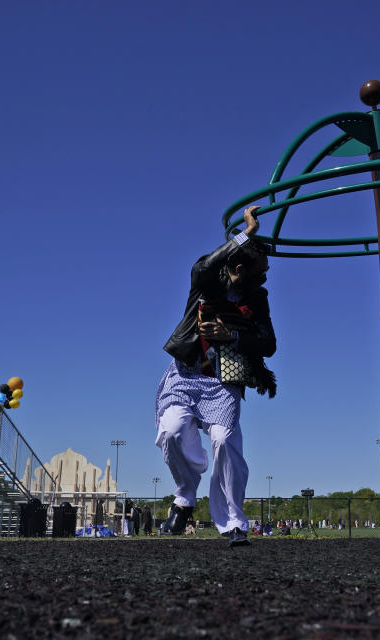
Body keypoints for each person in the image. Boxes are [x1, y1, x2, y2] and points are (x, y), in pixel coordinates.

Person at [155, 206, 276, 548]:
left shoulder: (257, 298)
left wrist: (232, 337)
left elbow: (268, 343)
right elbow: (205, 264)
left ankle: (234, 521)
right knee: (175, 430)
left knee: (224, 440)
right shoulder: (207, 282)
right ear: (239, 268)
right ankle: (185, 499)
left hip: (223, 381)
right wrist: (246, 233)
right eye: (260, 272)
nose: (264, 278)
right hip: (187, 373)